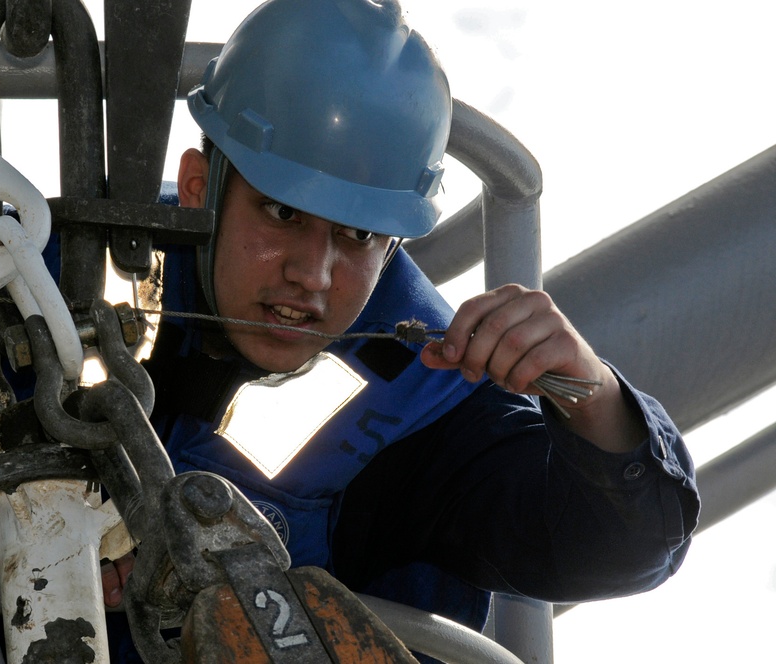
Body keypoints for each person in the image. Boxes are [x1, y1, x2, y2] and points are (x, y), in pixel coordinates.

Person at [101, 0, 699, 659]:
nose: (314, 275)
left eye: (357, 234)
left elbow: (622, 547)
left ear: (394, 245)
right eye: (282, 212)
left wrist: (595, 396)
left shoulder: (424, 403)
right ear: (196, 187)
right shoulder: (50, 273)